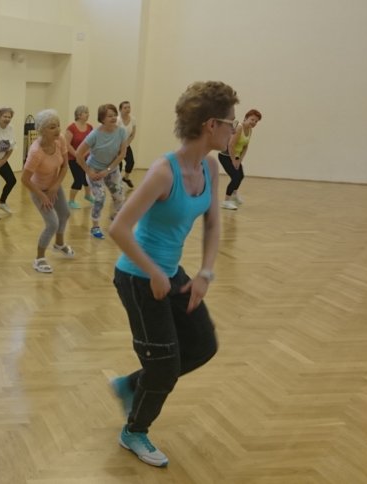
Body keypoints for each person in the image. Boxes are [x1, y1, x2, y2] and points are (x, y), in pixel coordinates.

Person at [108, 81, 236, 467]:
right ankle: (134, 431)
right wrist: (153, 273)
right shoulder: (164, 172)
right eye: (231, 123)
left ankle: (132, 384)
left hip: (170, 273)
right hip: (138, 277)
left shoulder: (210, 166)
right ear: (211, 125)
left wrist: (205, 273)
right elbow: (119, 228)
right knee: (164, 365)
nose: (234, 131)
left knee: (202, 345)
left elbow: (212, 223)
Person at [21, 109, 74, 274]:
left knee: (65, 213)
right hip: (38, 189)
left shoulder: (60, 140)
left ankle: (59, 244)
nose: (57, 130)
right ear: (41, 130)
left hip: (54, 186)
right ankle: (39, 259)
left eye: (58, 125)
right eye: (52, 127)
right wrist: (42, 196)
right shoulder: (36, 152)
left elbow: (65, 166)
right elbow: (24, 179)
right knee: (52, 224)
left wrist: (55, 186)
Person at [74, 104, 127, 239]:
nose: (113, 118)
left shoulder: (121, 132)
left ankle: (116, 219)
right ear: (102, 119)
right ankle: (95, 226)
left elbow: (122, 154)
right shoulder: (94, 135)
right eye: (110, 116)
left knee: (119, 197)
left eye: (115, 115)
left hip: (111, 169)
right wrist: (89, 172)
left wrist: (108, 170)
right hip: (95, 170)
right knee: (100, 197)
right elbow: (78, 154)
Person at [218, 109, 262, 210]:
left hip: (235, 156)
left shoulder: (250, 130)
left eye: (256, 121)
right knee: (235, 177)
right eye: (252, 119)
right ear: (246, 118)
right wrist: (234, 160)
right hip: (225, 156)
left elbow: (245, 146)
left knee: (241, 176)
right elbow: (231, 145)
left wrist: (240, 159)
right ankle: (226, 202)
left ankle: (234, 195)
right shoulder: (239, 128)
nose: (254, 122)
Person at [64, 105, 94, 209]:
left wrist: (84, 154)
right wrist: (77, 155)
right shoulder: (71, 128)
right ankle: (71, 201)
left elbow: (92, 143)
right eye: (86, 112)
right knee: (78, 180)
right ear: (79, 115)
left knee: (87, 178)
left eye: (88, 112)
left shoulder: (90, 127)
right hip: (74, 159)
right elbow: (67, 144)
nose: (88, 114)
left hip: (86, 158)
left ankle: (88, 195)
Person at [117, 101, 137, 188]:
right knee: (119, 164)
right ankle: (117, 183)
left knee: (131, 162)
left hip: (126, 145)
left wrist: (126, 144)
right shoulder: (117, 120)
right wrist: (119, 147)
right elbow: (114, 134)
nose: (127, 109)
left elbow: (133, 134)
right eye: (125, 108)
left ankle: (126, 178)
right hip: (116, 145)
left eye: (129, 107)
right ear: (120, 110)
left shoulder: (133, 119)